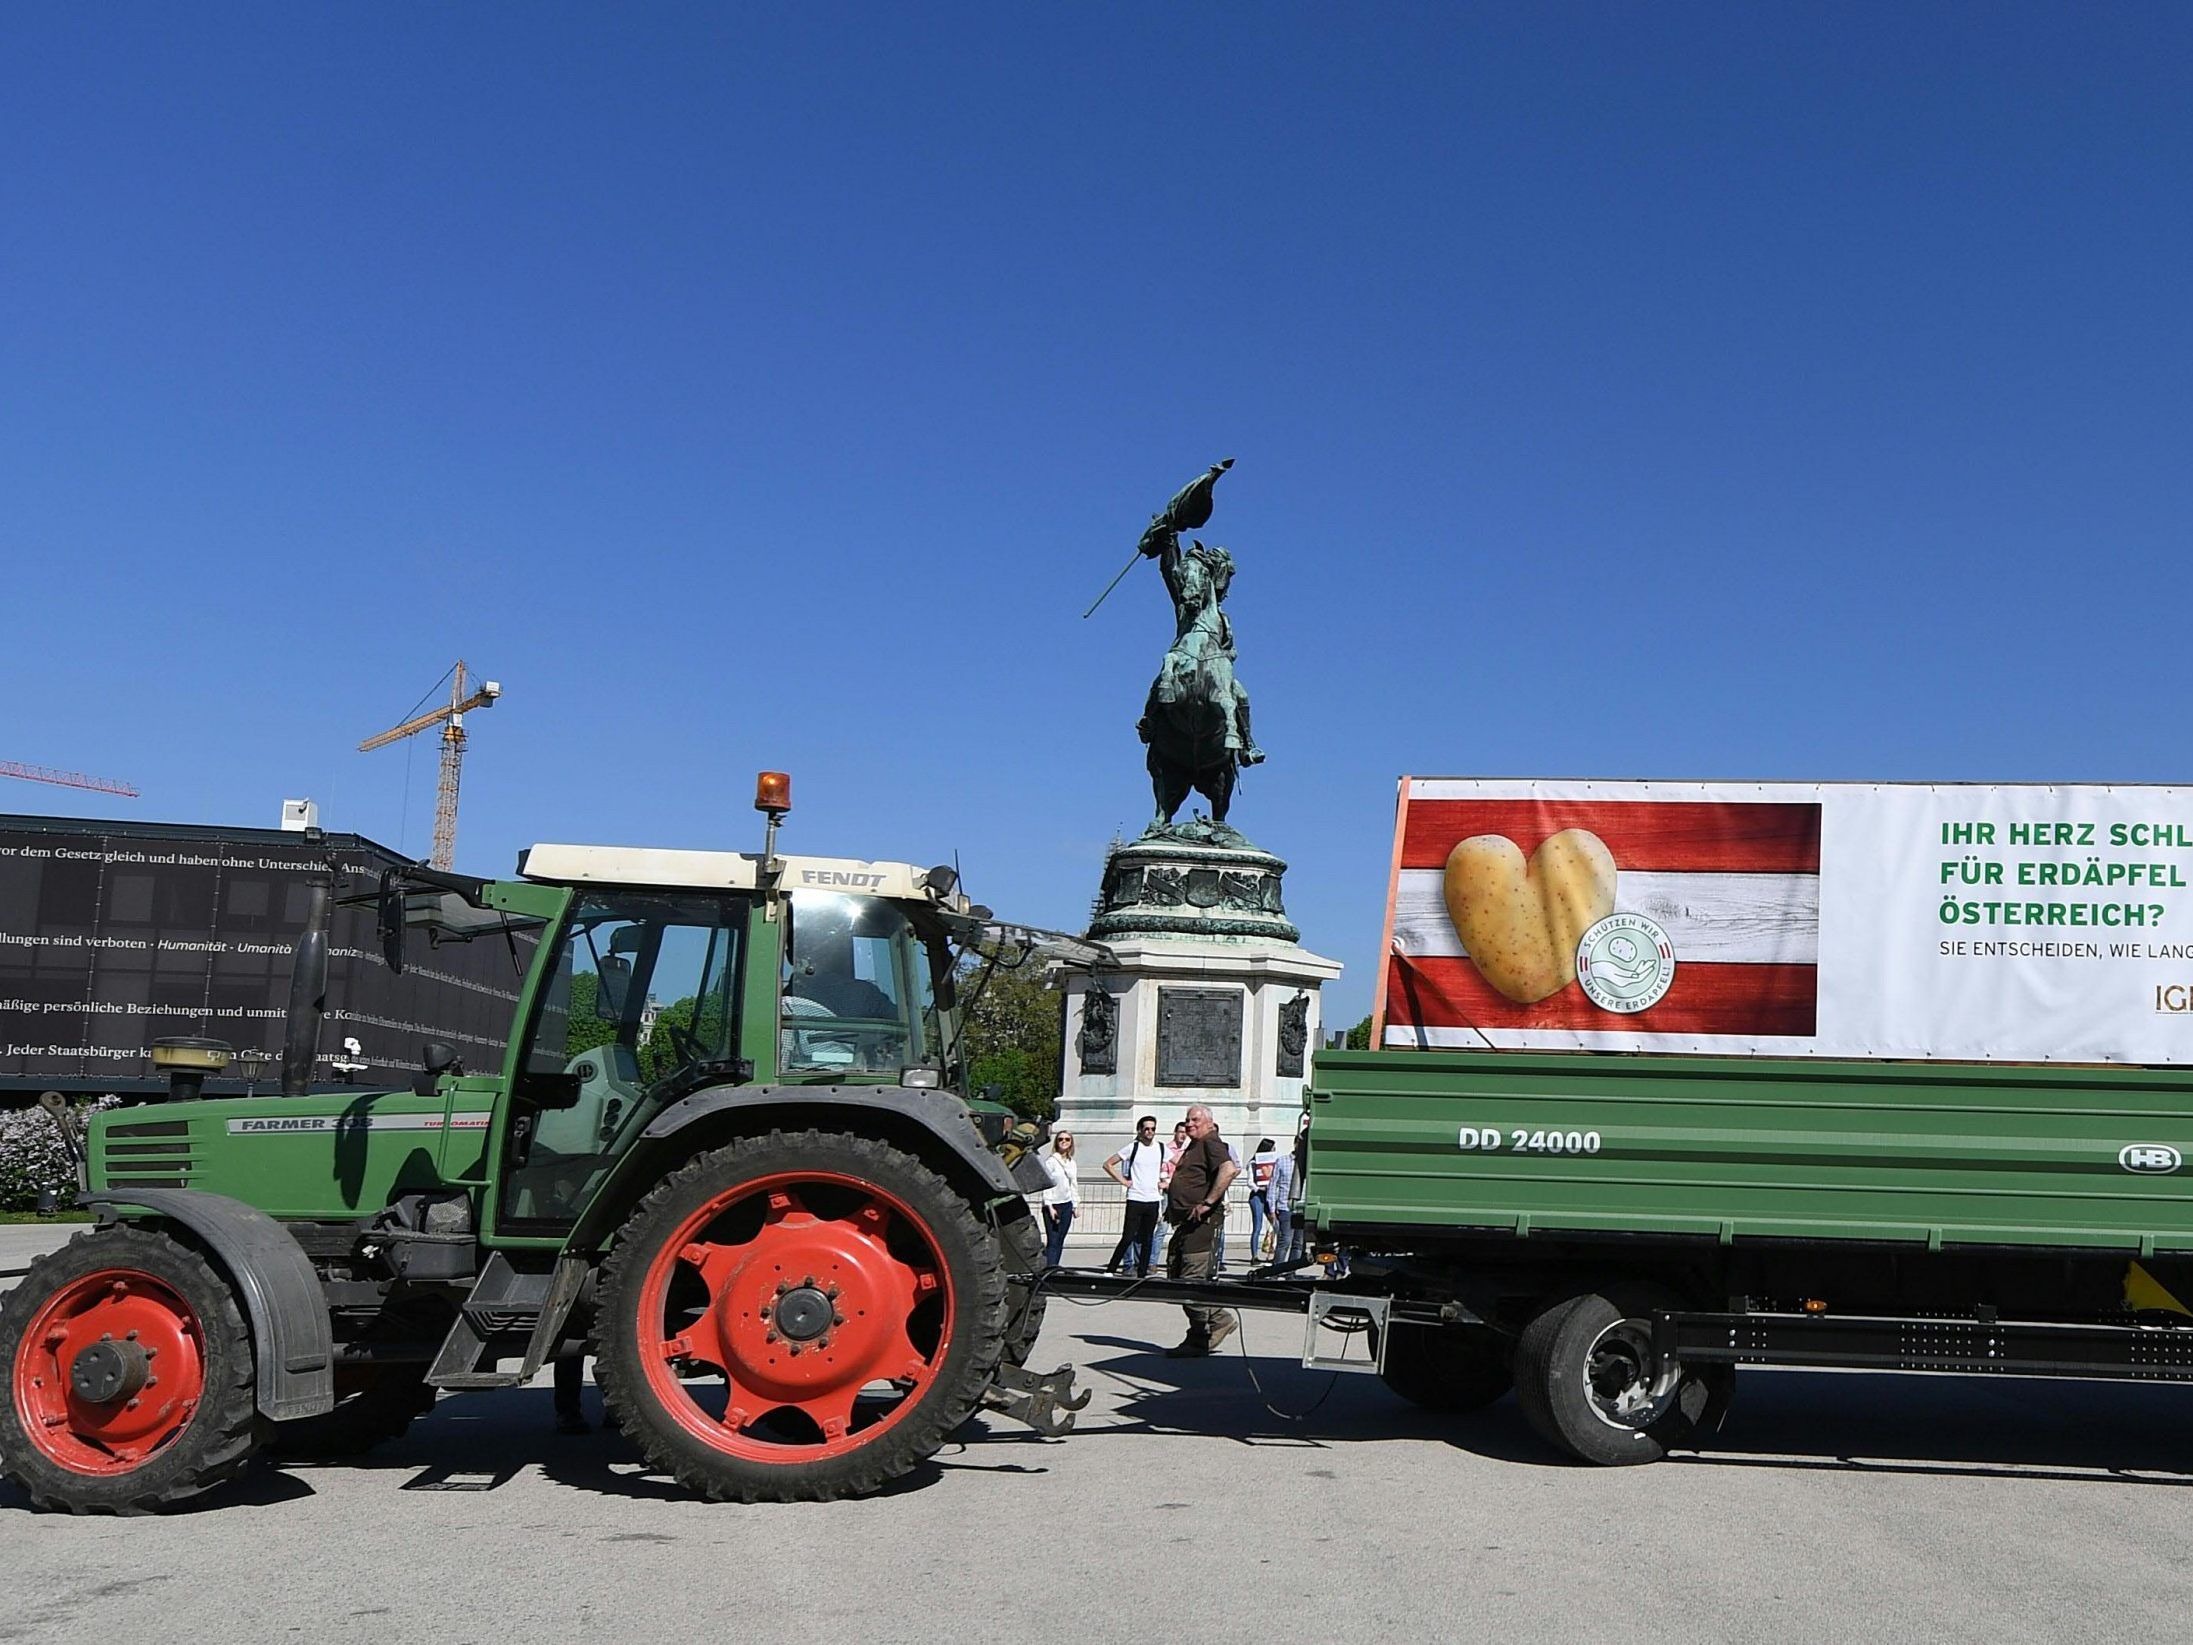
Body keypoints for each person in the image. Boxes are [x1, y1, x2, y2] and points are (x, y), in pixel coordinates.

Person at [1163, 1104, 1240, 1357]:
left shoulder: (1211, 1143)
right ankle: (1198, 1336)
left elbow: (1229, 1170)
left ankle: (1216, 1322)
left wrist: (1207, 1203)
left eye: (1195, 1119)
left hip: (1202, 1228)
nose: (1189, 1124)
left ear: (1209, 1121)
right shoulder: (1196, 1145)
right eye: (1187, 1120)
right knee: (1176, 1279)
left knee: (1190, 1283)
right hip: (1186, 1226)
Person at [1103, 1116, 1165, 1275]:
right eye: (1147, 1129)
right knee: (1128, 1237)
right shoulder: (1133, 1147)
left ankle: (1142, 1272)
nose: (1150, 1132)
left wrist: (1168, 1182)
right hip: (1135, 1198)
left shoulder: (1161, 1148)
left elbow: (1180, 1164)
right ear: (1140, 1130)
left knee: (1148, 1239)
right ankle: (1111, 1268)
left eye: (1153, 1129)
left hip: (1153, 1199)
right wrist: (1123, 1181)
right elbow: (1108, 1164)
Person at [1151, 1118, 1189, 1268]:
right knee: (1163, 1228)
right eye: (1180, 1132)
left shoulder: (1187, 1151)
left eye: (1185, 1132)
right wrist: (1167, 1182)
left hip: (1182, 1192)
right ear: (1175, 1133)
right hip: (1169, 1191)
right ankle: (1152, 1261)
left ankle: (1176, 1260)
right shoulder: (1167, 1149)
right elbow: (1162, 1171)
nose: (1183, 1135)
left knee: (1181, 1228)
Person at [1040, 1131, 1078, 1267]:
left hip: (1066, 1204)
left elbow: (1073, 1184)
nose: (1064, 1141)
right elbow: (1046, 1185)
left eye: (1067, 1139)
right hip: (1053, 1205)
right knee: (1053, 1239)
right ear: (1056, 1142)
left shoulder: (1071, 1162)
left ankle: (1054, 1266)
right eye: (1061, 1139)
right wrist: (1049, 1206)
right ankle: (1049, 1267)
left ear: (1071, 1143)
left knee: (1061, 1239)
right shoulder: (1051, 1161)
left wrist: (1075, 1205)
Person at [1248, 1136, 1280, 1263]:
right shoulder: (1253, 1163)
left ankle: (1273, 1253)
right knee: (1257, 1226)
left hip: (1269, 1194)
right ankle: (1254, 1256)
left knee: (1275, 1224)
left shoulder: (1274, 1162)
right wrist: (1259, 1188)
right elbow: (1250, 1182)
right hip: (1257, 1195)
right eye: (1272, 1148)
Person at [1264, 1131, 1295, 1263]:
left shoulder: (1308, 1162)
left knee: (1298, 1244)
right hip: (1285, 1206)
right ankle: (1276, 1270)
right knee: (1285, 1240)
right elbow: (1272, 1185)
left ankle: (1291, 1273)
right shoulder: (1282, 1161)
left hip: (1303, 1207)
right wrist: (1271, 1208)